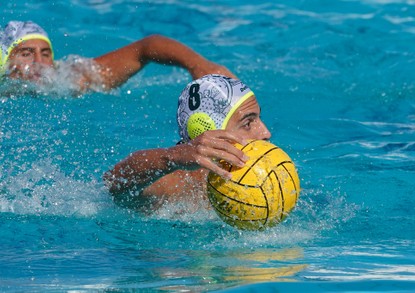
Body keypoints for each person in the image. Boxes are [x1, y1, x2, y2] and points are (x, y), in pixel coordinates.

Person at [103, 74, 272, 211]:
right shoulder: (177, 187)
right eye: (248, 123)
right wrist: (171, 157)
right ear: (208, 132)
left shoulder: (266, 174)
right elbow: (114, 184)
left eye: (260, 118)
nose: (266, 133)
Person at [0, 21, 234, 93]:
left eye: (46, 53)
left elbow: (146, 47)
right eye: (26, 53)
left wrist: (199, 65)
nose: (40, 64)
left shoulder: (72, 79)